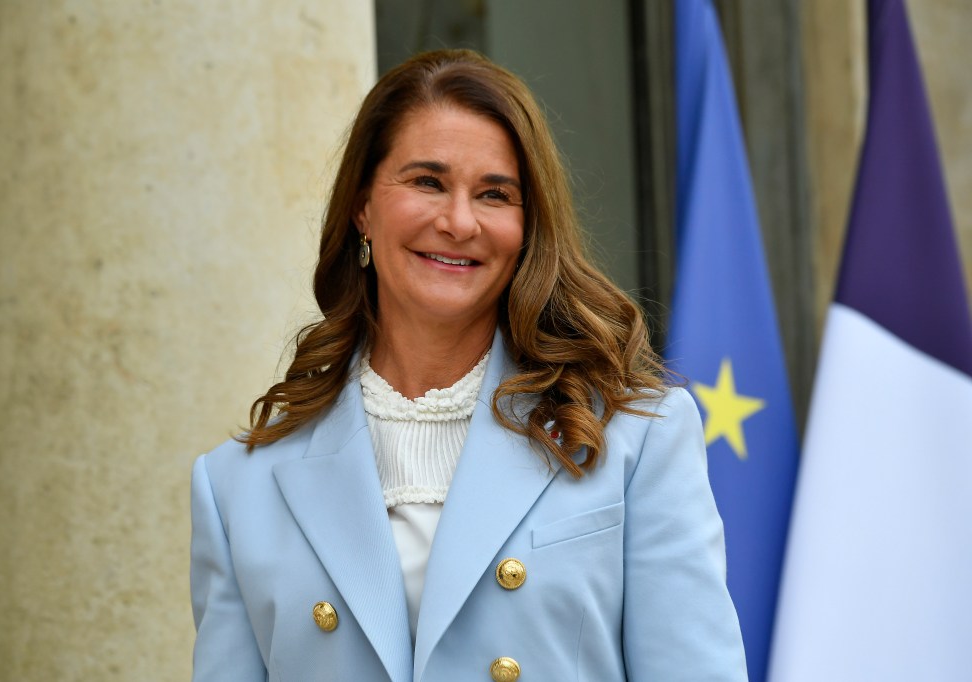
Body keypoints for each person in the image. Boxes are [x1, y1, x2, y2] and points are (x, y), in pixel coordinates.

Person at [190, 49, 747, 682]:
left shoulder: (634, 436)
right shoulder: (237, 485)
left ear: (527, 226)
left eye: (495, 194)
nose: (459, 222)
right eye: (427, 182)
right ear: (362, 206)